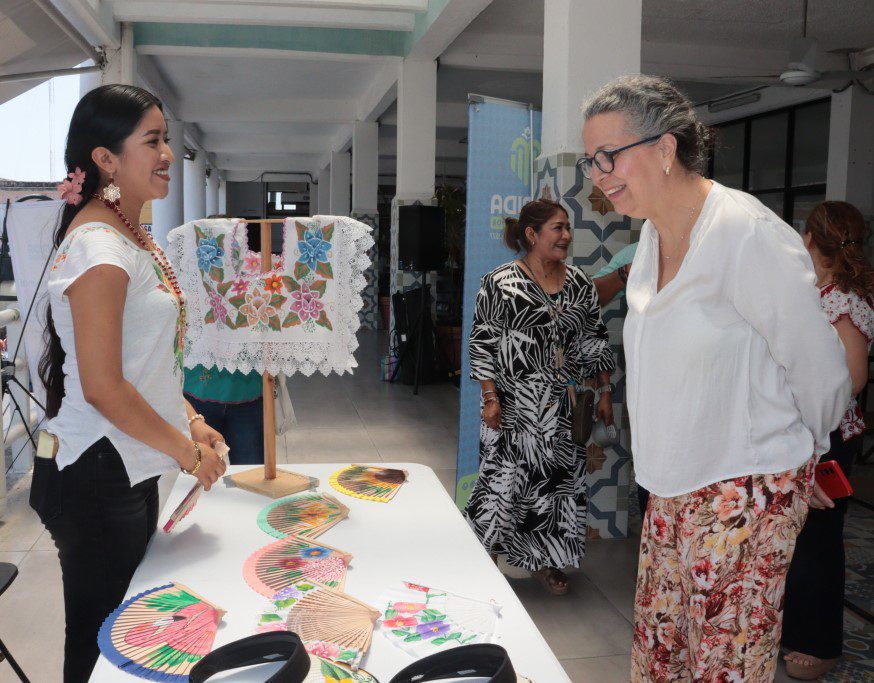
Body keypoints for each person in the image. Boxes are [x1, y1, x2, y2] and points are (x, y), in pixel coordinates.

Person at [581, 74, 850, 682]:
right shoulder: (650, 237)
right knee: (660, 658)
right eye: (589, 160)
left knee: (723, 667)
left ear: (666, 148)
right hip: (670, 484)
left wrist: (806, 453)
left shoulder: (745, 233)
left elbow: (821, 367)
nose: (597, 173)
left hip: (741, 491)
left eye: (607, 156)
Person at [32, 85, 227, 682]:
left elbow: (149, 362)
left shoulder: (134, 240)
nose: (167, 153)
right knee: (101, 646)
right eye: (153, 140)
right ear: (106, 159)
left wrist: (190, 417)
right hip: (96, 475)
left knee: (129, 632)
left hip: (129, 468)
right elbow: (104, 388)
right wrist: (189, 453)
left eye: (165, 139)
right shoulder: (98, 247)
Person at [464, 198, 616, 595]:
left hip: (563, 410)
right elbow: (483, 341)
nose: (566, 235)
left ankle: (545, 563)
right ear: (531, 234)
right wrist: (490, 396)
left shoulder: (580, 283)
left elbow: (594, 339)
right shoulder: (500, 282)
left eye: (568, 228)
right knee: (503, 485)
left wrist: (603, 389)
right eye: (557, 228)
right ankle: (485, 558)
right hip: (514, 407)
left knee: (556, 488)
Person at [782, 201, 874, 680]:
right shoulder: (817, 292)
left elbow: (853, 380)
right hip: (804, 429)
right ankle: (790, 627)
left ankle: (817, 643)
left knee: (818, 542)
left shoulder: (843, 299)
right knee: (793, 537)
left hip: (829, 434)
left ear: (810, 240)